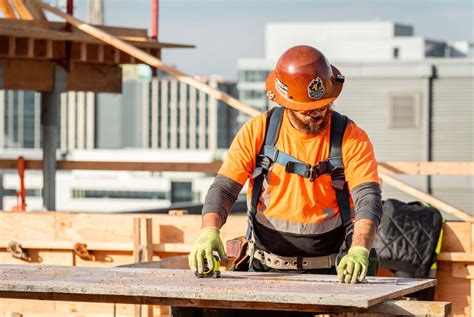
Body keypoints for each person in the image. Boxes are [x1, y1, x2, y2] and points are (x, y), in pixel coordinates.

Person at [184, 45, 383, 316]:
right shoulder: (259, 131)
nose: (319, 113)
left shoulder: (350, 136)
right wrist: (209, 231)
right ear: (285, 103)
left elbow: (368, 199)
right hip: (264, 274)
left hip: (330, 276)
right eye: (309, 109)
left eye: (324, 105)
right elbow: (224, 188)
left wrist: (360, 248)